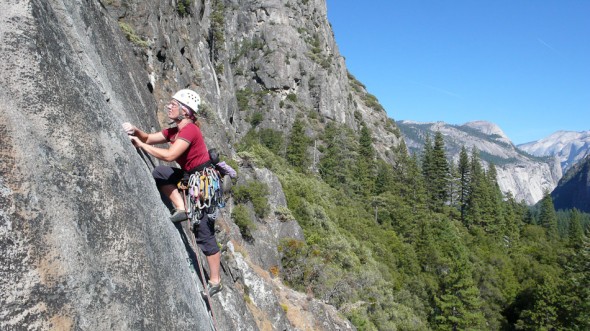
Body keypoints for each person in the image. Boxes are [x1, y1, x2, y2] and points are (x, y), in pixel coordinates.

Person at [122, 89, 222, 296]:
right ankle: (181, 207)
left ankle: (215, 281)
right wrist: (135, 130)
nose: (169, 106)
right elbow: (149, 138)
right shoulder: (175, 130)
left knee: (204, 232)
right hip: (190, 176)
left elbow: (170, 155)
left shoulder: (190, 130)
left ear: (185, 111)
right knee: (160, 173)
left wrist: (139, 144)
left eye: (173, 104)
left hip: (202, 183)